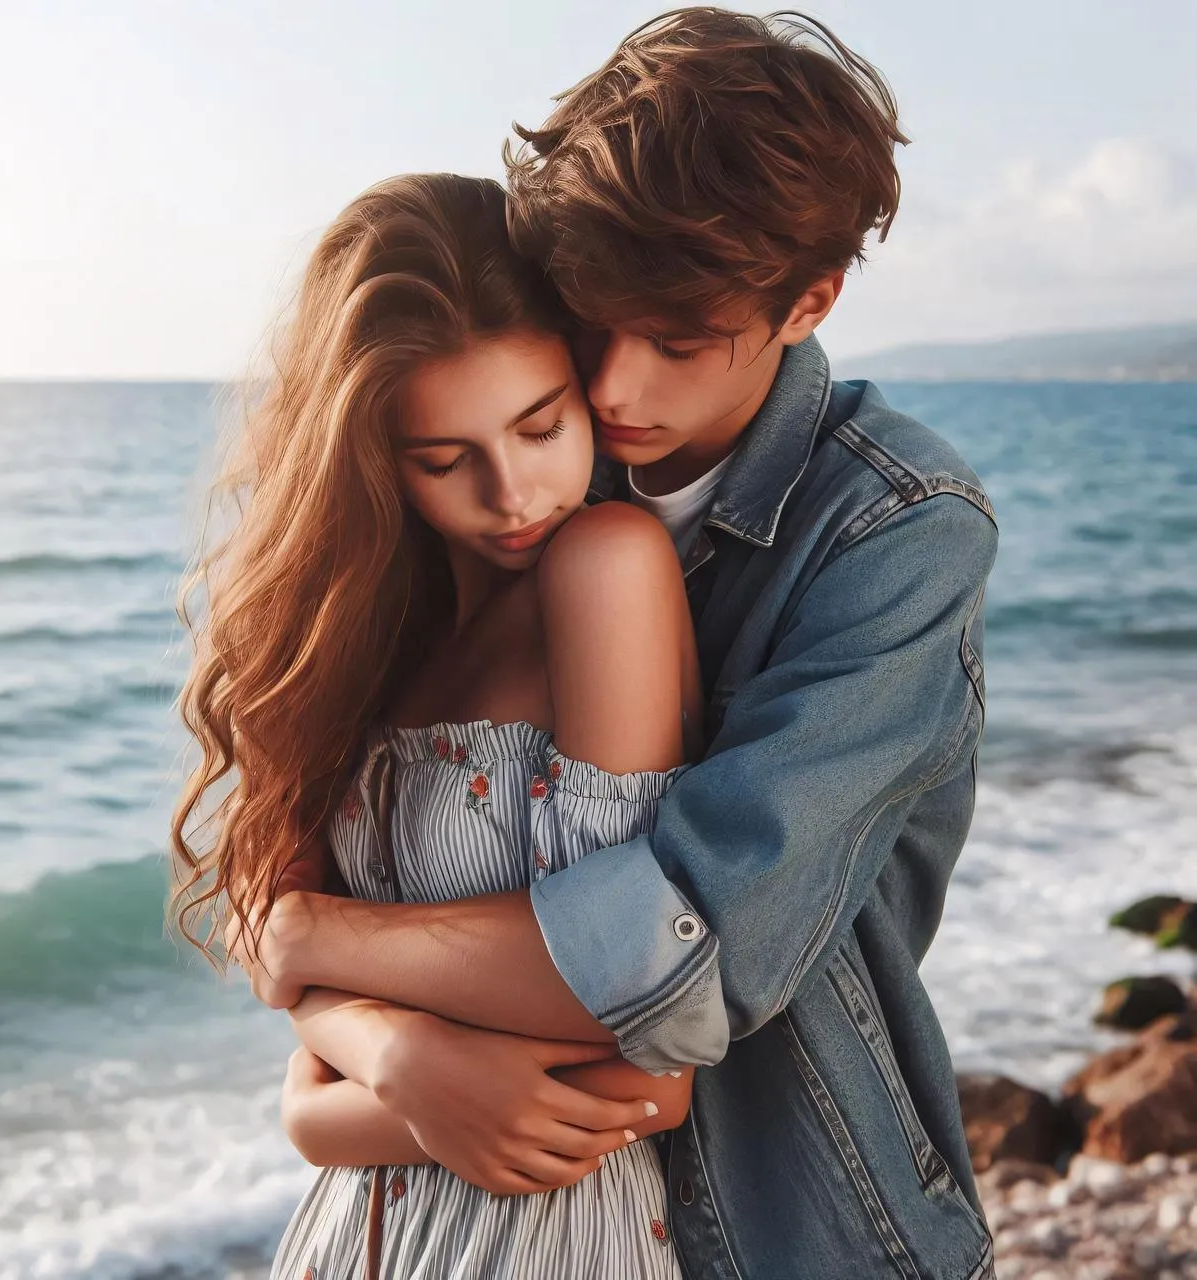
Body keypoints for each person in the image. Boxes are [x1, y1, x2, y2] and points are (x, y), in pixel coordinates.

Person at [225, 9, 1001, 1280]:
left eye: (680, 340)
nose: (618, 391)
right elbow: (301, 1067)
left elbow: (677, 959)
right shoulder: (516, 505)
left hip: (785, 1217)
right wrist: (387, 1046)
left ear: (809, 300)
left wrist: (316, 942)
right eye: (594, 321)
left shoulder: (896, 528)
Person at [172, 172, 711, 1278]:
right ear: (371, 456)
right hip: (342, 1242)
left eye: (539, 424)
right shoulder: (360, 647)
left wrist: (331, 985)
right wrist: (395, 1050)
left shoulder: (605, 567)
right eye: (442, 457)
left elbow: (648, 1060)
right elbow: (301, 1062)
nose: (512, 492)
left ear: (580, 381)